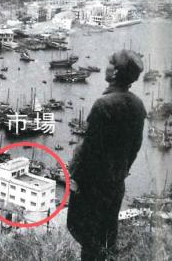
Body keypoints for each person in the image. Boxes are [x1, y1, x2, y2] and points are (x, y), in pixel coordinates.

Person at [67, 50, 147, 261]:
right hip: (115, 184)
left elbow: (90, 151)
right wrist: (120, 171)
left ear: (116, 72)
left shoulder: (103, 105)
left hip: (93, 186)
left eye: (111, 63)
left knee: (88, 239)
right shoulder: (138, 105)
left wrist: (75, 179)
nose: (107, 65)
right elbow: (135, 148)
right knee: (105, 240)